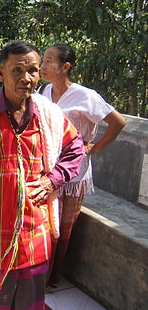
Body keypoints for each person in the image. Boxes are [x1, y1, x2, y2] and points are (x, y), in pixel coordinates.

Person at [0, 41, 85, 310]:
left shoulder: (48, 117)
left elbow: (76, 147)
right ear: (1, 74)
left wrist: (53, 180)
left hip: (35, 230)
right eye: (18, 71)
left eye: (34, 71)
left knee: (27, 301)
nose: (27, 78)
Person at [40, 43, 126, 289]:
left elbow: (117, 122)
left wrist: (95, 147)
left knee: (63, 228)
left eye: (49, 61)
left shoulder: (86, 96)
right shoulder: (45, 91)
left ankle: (52, 278)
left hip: (74, 172)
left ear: (65, 67)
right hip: (48, 169)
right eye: (43, 60)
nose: (43, 66)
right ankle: (38, 275)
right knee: (46, 223)